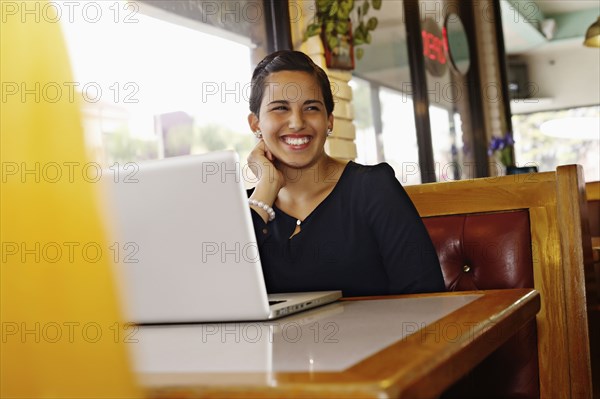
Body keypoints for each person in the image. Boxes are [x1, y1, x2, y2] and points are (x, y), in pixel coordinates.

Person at [246, 50, 444, 297]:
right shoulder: (248, 212)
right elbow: (221, 298)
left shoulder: (373, 189)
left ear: (329, 121)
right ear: (255, 124)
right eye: (280, 108)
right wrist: (266, 187)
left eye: (311, 108)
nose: (297, 122)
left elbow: (427, 296)